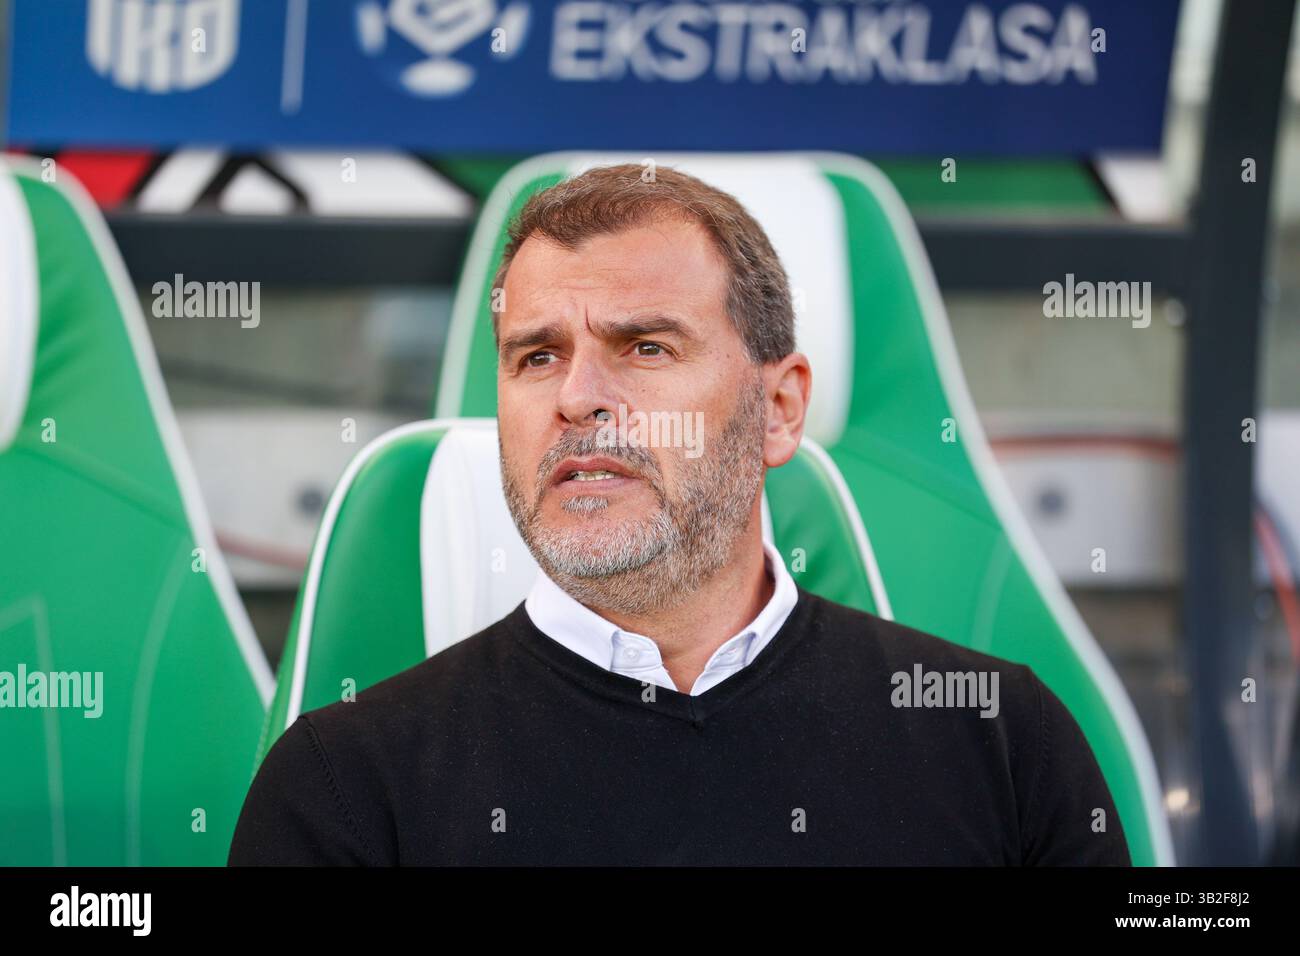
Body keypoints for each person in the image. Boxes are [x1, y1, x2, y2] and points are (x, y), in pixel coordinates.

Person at [228, 163, 1130, 865]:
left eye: (646, 346)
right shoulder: (341, 788)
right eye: (536, 357)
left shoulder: (1002, 741)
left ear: (778, 410)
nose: (578, 397)